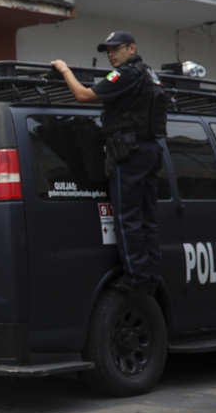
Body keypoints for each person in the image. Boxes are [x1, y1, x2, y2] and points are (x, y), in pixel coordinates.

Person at [51, 31, 167, 295]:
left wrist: (65, 70)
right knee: (147, 218)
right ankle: (150, 275)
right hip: (151, 149)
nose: (111, 55)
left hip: (131, 153)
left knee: (127, 218)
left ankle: (136, 279)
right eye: (108, 51)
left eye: (116, 49)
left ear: (132, 48)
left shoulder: (124, 75)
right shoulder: (149, 73)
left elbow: (83, 95)